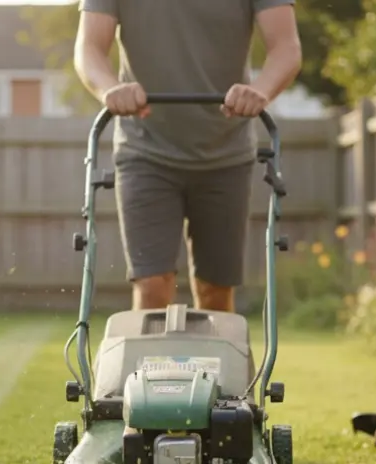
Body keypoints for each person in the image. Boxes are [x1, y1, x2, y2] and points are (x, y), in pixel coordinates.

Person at [73, 0, 302, 313]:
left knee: (215, 294)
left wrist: (259, 90)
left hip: (226, 153)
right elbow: (89, 48)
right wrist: (110, 89)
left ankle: (211, 364)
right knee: (152, 286)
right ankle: (147, 364)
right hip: (145, 150)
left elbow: (287, 47)